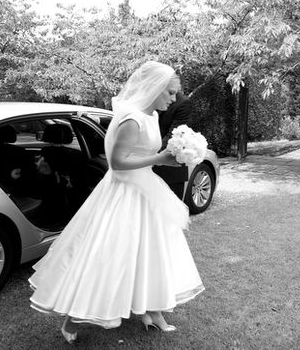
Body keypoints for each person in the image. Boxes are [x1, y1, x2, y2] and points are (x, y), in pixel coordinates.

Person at [29, 61, 205, 343]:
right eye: (170, 93)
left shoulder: (150, 116)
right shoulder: (132, 119)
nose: (174, 99)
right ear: (155, 89)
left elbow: (140, 153)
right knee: (109, 256)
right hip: (123, 194)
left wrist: (177, 151)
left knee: (154, 253)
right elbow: (118, 163)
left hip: (146, 191)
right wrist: (162, 158)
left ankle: (153, 312)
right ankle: (73, 320)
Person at [153, 90, 193, 198]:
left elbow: (173, 137)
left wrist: (150, 157)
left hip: (169, 170)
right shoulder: (144, 101)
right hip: (141, 171)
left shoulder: (182, 103)